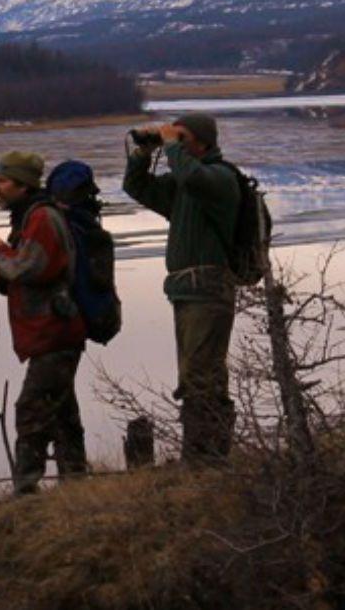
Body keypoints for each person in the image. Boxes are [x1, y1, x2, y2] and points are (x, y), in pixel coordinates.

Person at [122, 113, 241, 464]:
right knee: (195, 374)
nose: (175, 142)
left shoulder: (220, 178)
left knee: (201, 376)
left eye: (183, 137)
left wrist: (172, 146)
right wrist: (144, 152)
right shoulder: (184, 186)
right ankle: (204, 456)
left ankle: (205, 459)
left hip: (209, 289)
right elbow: (136, 187)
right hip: (186, 291)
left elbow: (194, 177)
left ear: (203, 142)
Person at [0, 150, 88, 494]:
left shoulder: (42, 218)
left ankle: (26, 493)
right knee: (61, 413)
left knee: (31, 409)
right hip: (51, 333)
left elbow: (30, 267)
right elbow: (30, 275)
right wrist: (1, 278)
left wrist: (0, 253)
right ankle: (76, 485)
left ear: (23, 184)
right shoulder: (29, 216)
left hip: (54, 333)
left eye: (2, 180)